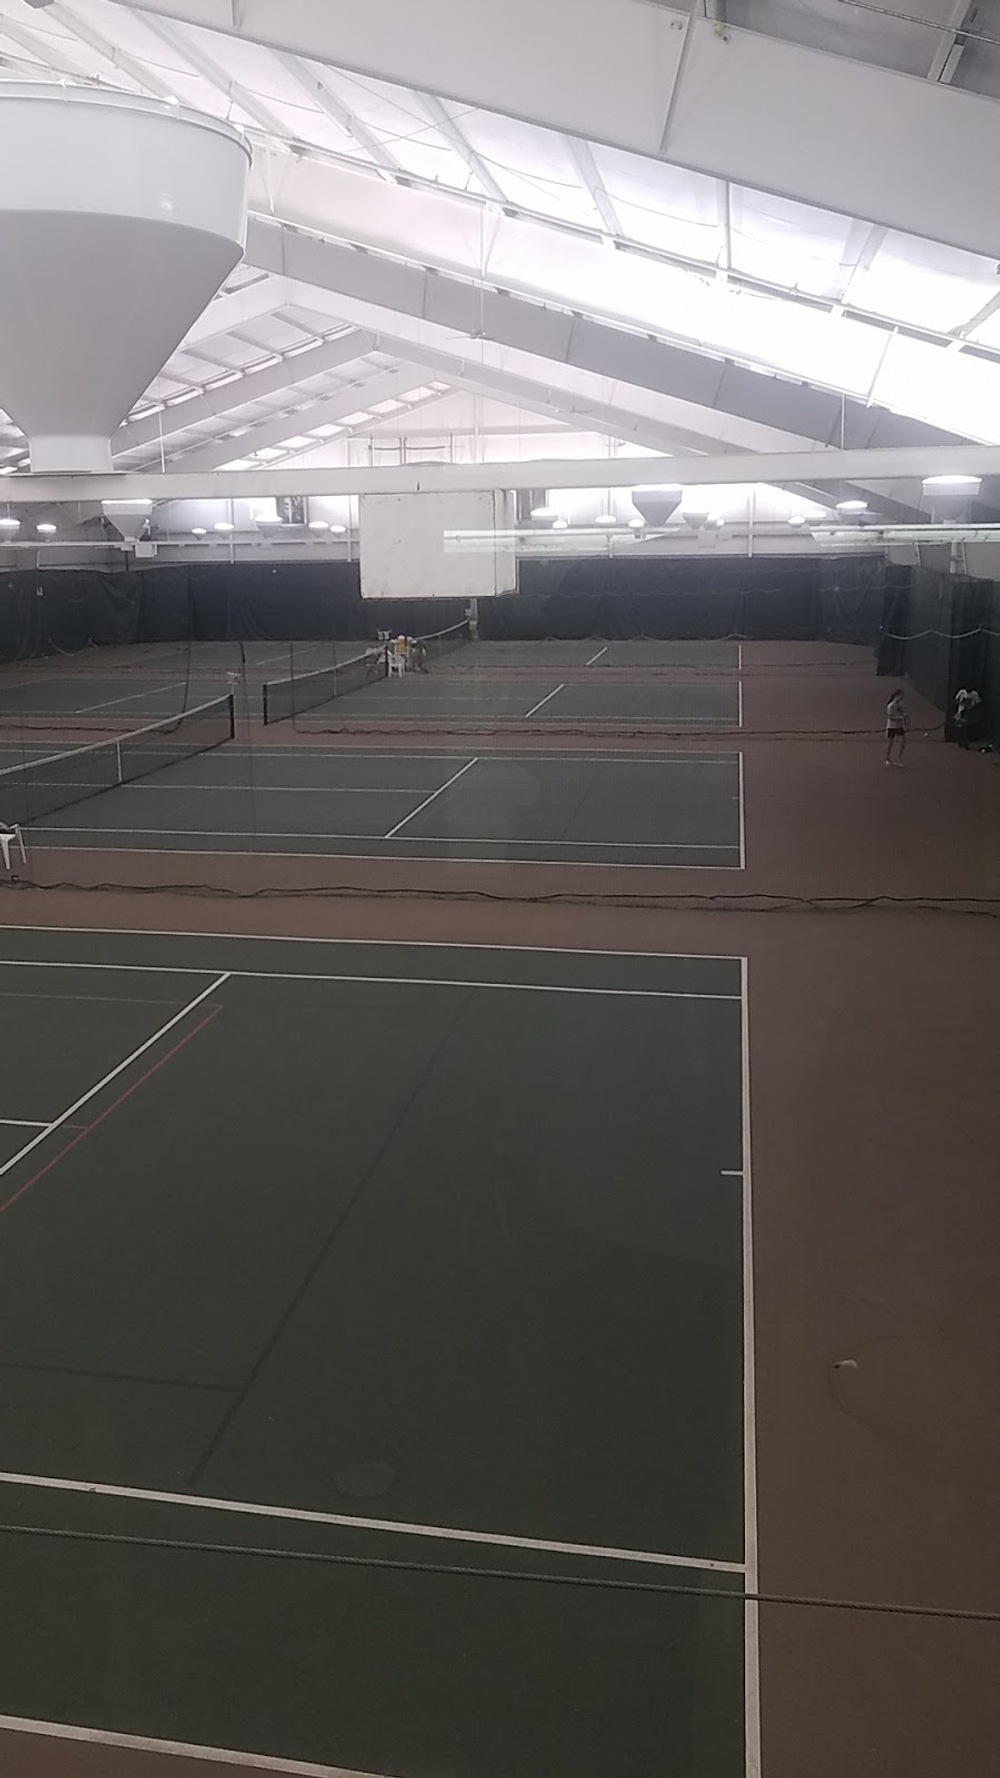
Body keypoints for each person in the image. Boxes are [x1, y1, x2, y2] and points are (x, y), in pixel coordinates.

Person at [885, 688, 907, 766]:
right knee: (890, 743)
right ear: (896, 696)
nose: (901, 699)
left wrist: (904, 716)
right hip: (891, 727)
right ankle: (887, 759)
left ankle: (899, 760)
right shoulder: (890, 706)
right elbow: (891, 717)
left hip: (899, 726)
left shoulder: (900, 705)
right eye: (900, 697)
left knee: (902, 742)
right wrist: (900, 717)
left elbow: (903, 713)